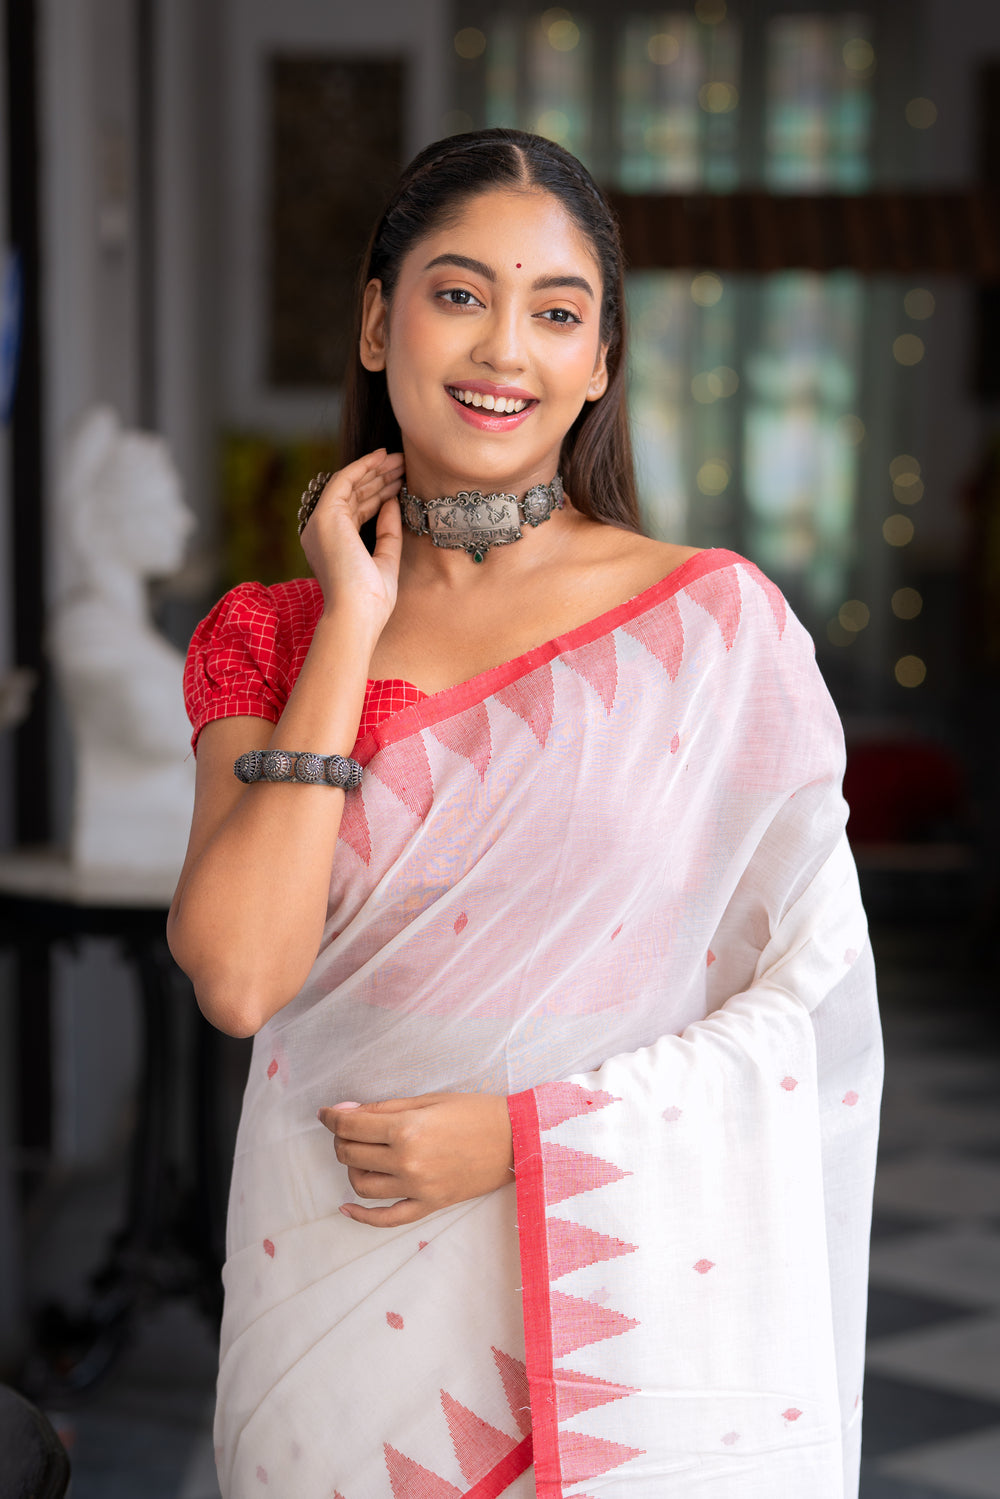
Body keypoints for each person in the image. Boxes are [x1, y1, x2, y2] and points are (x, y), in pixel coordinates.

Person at [168, 129, 881, 1499]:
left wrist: (529, 1139)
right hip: (331, 1308)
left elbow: (811, 1000)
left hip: (625, 1311)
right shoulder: (271, 636)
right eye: (458, 295)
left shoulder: (713, 633)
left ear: (601, 362)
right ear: (377, 323)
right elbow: (242, 976)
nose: (505, 349)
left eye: (557, 313)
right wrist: (349, 628)